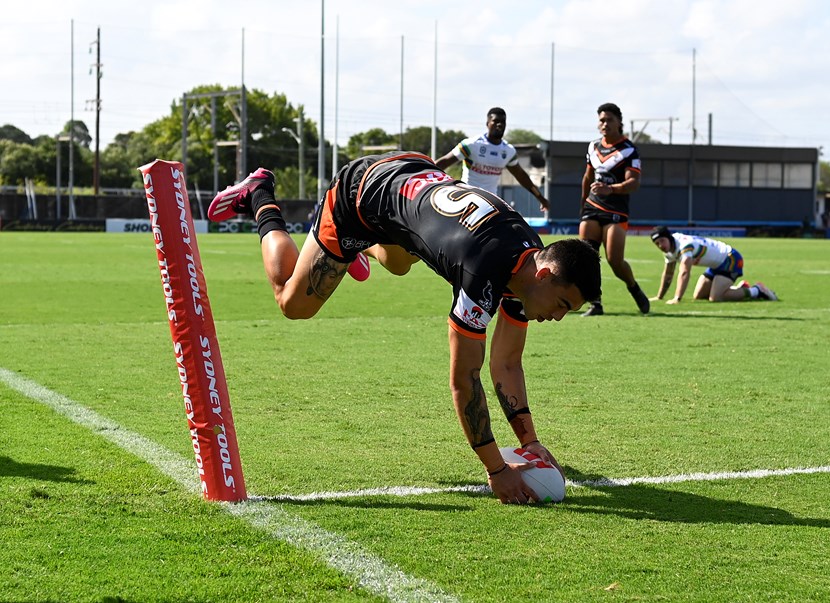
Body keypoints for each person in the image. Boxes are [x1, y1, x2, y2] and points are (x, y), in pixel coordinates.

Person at [208, 151, 602, 504]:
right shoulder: (481, 271)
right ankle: (260, 194)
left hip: (413, 181)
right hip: (360, 196)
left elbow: (508, 364)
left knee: (397, 264)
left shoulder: (529, 268)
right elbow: (465, 379)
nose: (559, 317)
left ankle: (354, 253)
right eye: (563, 304)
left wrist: (529, 442)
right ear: (546, 274)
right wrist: (497, 470)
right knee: (292, 302)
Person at [578, 102, 649, 317]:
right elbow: (588, 177)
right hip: (592, 207)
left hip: (616, 211)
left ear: (619, 122)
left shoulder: (629, 150)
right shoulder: (593, 147)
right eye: (601, 120)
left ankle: (633, 288)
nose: (605, 123)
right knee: (587, 258)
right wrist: (582, 204)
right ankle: (595, 303)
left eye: (609, 119)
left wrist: (610, 189)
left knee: (614, 261)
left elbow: (634, 183)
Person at [434, 107, 550, 213]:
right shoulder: (472, 145)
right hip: (468, 199)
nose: (499, 125)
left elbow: (521, 176)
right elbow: (444, 162)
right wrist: (422, 175)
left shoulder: (508, 151)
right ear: (488, 123)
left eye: (503, 122)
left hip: (490, 203)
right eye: (495, 121)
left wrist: (541, 198)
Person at [648, 226, 779, 303]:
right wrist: (659, 297)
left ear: (669, 238)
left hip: (730, 259)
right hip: (716, 265)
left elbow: (684, 272)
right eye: (657, 244)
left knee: (715, 298)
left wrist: (677, 298)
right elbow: (668, 273)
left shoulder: (684, 245)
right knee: (699, 296)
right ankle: (739, 288)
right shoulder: (670, 249)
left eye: (662, 241)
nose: (661, 246)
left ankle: (757, 290)